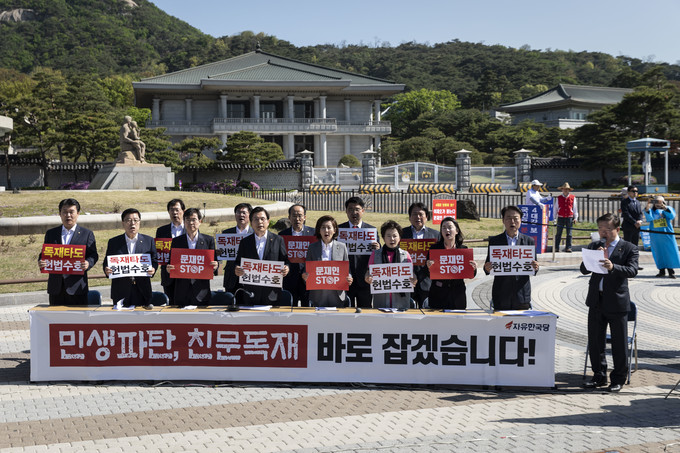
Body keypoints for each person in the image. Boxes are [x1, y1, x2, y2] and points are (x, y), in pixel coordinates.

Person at [581, 213, 638, 393]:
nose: (603, 233)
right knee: (595, 341)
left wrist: (613, 267)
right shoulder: (595, 246)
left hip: (617, 302)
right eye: (600, 229)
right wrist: (592, 256)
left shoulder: (628, 248)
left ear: (617, 229)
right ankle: (598, 375)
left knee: (619, 343)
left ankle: (618, 378)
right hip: (596, 300)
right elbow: (583, 270)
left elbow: (632, 270)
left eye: (607, 229)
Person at [39, 198, 98, 306]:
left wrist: (88, 263)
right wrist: (41, 261)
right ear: (60, 214)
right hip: (56, 288)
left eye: (71, 212)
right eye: (65, 212)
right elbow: (44, 253)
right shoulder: (51, 233)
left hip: (77, 287)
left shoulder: (86, 234)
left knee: (78, 316)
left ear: (78, 213)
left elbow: (93, 254)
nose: (68, 215)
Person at [483, 206, 540, 310]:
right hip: (501, 293)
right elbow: (488, 266)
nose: (512, 222)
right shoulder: (495, 241)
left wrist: (536, 267)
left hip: (521, 294)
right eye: (508, 218)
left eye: (515, 218)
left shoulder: (529, 241)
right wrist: (487, 268)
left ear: (521, 220)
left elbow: (534, 268)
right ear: (503, 220)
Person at [234, 207, 290, 305]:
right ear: (251, 223)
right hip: (251, 292)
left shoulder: (278, 240)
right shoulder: (245, 242)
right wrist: (237, 269)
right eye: (256, 219)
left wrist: (287, 268)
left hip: (271, 292)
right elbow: (238, 262)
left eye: (262, 219)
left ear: (268, 222)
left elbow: (286, 260)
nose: (259, 222)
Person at [104, 208, 158, 308]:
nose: (132, 223)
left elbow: (154, 260)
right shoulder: (114, 242)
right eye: (128, 220)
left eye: (135, 220)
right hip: (120, 290)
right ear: (123, 223)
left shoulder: (148, 241)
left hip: (142, 290)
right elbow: (106, 263)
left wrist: (153, 269)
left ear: (139, 222)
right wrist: (107, 270)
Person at [167, 208, 219, 306]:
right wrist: (169, 268)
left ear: (200, 221)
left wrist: (215, 266)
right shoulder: (177, 241)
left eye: (194, 220)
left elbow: (215, 263)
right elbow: (170, 263)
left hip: (201, 292)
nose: (191, 223)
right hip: (181, 292)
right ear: (184, 222)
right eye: (188, 220)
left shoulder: (208, 240)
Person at [426, 217, 477, 310]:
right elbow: (427, 273)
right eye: (444, 228)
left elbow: (471, 275)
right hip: (438, 295)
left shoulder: (463, 250)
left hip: (457, 295)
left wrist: (474, 268)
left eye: (450, 227)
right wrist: (429, 267)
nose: (447, 230)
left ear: (457, 231)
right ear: (441, 232)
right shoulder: (434, 249)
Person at [338, 196, 380, 308]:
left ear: (363, 211)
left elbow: (378, 255)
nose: (354, 212)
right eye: (350, 209)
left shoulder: (371, 230)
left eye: (357, 209)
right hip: (346, 279)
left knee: (366, 311)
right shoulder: (339, 230)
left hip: (365, 279)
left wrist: (378, 248)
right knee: (346, 310)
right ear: (346, 211)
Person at [365, 220, 417, 309]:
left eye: (395, 236)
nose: (392, 239)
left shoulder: (405, 255)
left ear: (399, 237)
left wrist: (414, 280)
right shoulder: (375, 254)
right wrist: (368, 278)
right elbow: (368, 272)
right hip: (381, 300)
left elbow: (412, 274)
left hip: (401, 302)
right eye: (388, 236)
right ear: (383, 238)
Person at [303, 215, 353, 307]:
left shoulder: (342, 247)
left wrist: (349, 278)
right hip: (318, 294)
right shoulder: (312, 247)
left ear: (334, 230)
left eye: (329, 227)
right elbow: (306, 270)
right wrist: (305, 276)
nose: (326, 231)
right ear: (319, 230)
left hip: (337, 294)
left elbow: (347, 270)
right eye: (323, 227)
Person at [402, 202, 441, 306]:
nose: (418, 217)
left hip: (427, 281)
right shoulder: (401, 234)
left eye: (421, 214)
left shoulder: (436, 235)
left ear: (426, 217)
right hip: (407, 281)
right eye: (414, 214)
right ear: (409, 217)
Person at [278, 204, 315, 307]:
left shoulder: (313, 233)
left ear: (305, 217)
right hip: (289, 278)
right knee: (289, 309)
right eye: (294, 216)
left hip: (307, 278)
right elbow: (280, 256)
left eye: (300, 215)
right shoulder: (282, 235)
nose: (297, 219)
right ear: (289, 217)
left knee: (307, 309)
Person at [155, 198, 185, 304]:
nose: (174, 213)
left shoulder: (190, 228)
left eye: (177, 210)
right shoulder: (161, 231)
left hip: (185, 273)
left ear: (183, 211)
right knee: (170, 305)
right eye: (172, 210)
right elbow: (158, 252)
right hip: (168, 275)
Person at [644, 196, 680, 278]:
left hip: (667, 234)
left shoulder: (667, 209)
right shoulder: (651, 211)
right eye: (656, 202)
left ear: (663, 202)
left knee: (669, 252)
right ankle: (661, 270)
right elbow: (648, 217)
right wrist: (648, 204)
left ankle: (671, 271)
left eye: (659, 202)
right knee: (658, 252)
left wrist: (664, 207)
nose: (658, 204)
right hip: (655, 235)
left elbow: (671, 215)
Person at [222, 203, 254, 294]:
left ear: (250, 215)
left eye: (244, 213)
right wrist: (219, 253)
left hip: (250, 276)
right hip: (231, 277)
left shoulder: (255, 233)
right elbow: (222, 254)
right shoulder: (226, 233)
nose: (241, 215)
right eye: (238, 212)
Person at [553, 182, 578, 253]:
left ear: (569, 190)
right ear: (562, 190)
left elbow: (575, 208)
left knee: (569, 234)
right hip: (561, 217)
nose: (565, 190)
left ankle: (568, 247)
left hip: (569, 217)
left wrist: (575, 218)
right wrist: (554, 218)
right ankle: (556, 247)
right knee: (558, 233)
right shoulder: (559, 198)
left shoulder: (573, 197)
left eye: (567, 189)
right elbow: (555, 208)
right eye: (564, 189)